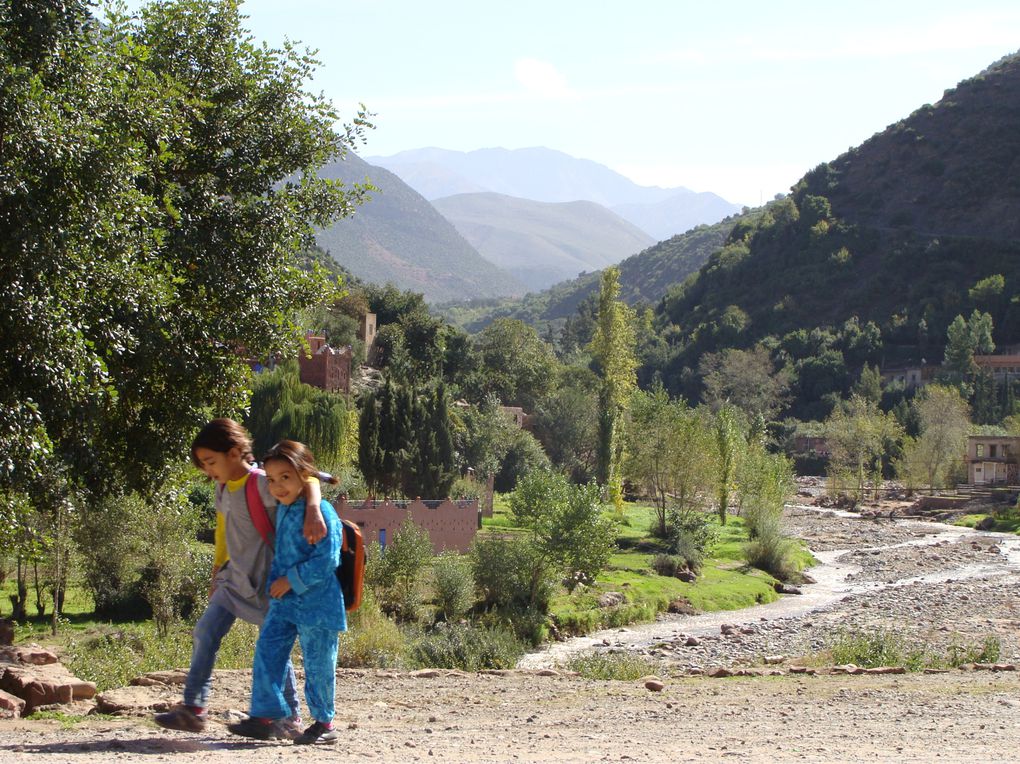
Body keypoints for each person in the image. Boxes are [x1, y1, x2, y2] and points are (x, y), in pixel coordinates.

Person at [155, 419, 327, 734]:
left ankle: (288, 716)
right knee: (205, 631)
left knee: (272, 648)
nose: (208, 470)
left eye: (211, 461)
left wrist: (314, 510)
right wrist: (216, 571)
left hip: (267, 583)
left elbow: (310, 480)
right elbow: (223, 531)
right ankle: (194, 708)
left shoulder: (262, 482)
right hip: (233, 580)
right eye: (203, 465)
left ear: (234, 452)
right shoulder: (222, 488)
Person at [228, 439, 345, 745]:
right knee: (268, 651)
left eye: (285, 478)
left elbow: (327, 560)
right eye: (272, 480)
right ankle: (264, 715)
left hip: (318, 604)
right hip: (284, 602)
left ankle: (324, 723)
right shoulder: (285, 508)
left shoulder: (324, 514)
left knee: (318, 663)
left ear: (302, 476)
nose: (278, 486)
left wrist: (291, 579)